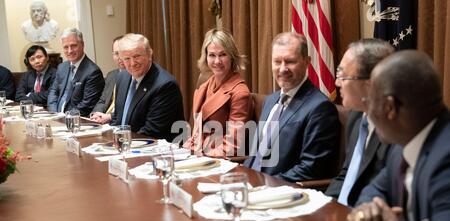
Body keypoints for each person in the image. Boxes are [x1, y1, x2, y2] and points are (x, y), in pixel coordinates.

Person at [347, 50, 450, 221]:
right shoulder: (402, 145)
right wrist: (367, 211)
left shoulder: (445, 157)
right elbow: (375, 189)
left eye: (369, 101)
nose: (368, 111)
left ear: (390, 107)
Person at [243, 32, 340, 182]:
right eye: (277, 61)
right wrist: (241, 178)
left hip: (280, 192)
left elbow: (311, 168)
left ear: (307, 62)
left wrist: (264, 184)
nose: (282, 69)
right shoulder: (270, 100)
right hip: (250, 184)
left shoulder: (320, 108)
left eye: (290, 61)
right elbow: (256, 155)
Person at [325, 39, 394, 206]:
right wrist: (324, 206)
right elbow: (346, 174)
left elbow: (384, 191)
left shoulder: (394, 129)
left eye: (343, 75)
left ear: (370, 83)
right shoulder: (356, 116)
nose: (336, 83)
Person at [183, 29, 252, 157]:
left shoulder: (240, 92)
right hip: (198, 156)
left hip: (217, 162)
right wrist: (181, 152)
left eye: (222, 55)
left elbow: (232, 145)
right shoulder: (205, 86)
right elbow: (196, 136)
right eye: (212, 55)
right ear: (206, 57)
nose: (217, 61)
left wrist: (202, 156)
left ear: (232, 56)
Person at [109, 33, 184, 141]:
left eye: (137, 56)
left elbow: (152, 131)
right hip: (126, 147)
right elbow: (117, 120)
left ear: (149, 54)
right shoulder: (122, 77)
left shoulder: (165, 85)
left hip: (156, 150)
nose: (132, 63)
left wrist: (124, 143)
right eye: (127, 58)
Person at [47, 28, 105, 117]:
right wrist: (54, 114)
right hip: (56, 117)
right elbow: (53, 92)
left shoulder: (93, 72)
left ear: (82, 44)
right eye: (66, 47)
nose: (70, 50)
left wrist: (65, 117)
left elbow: (86, 105)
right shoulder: (62, 67)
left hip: (76, 121)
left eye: (73, 45)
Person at [90, 35, 125, 123]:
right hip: (103, 123)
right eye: (116, 54)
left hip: (118, 123)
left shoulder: (134, 78)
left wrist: (109, 117)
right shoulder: (111, 75)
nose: (120, 58)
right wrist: (95, 114)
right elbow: (102, 100)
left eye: (123, 53)